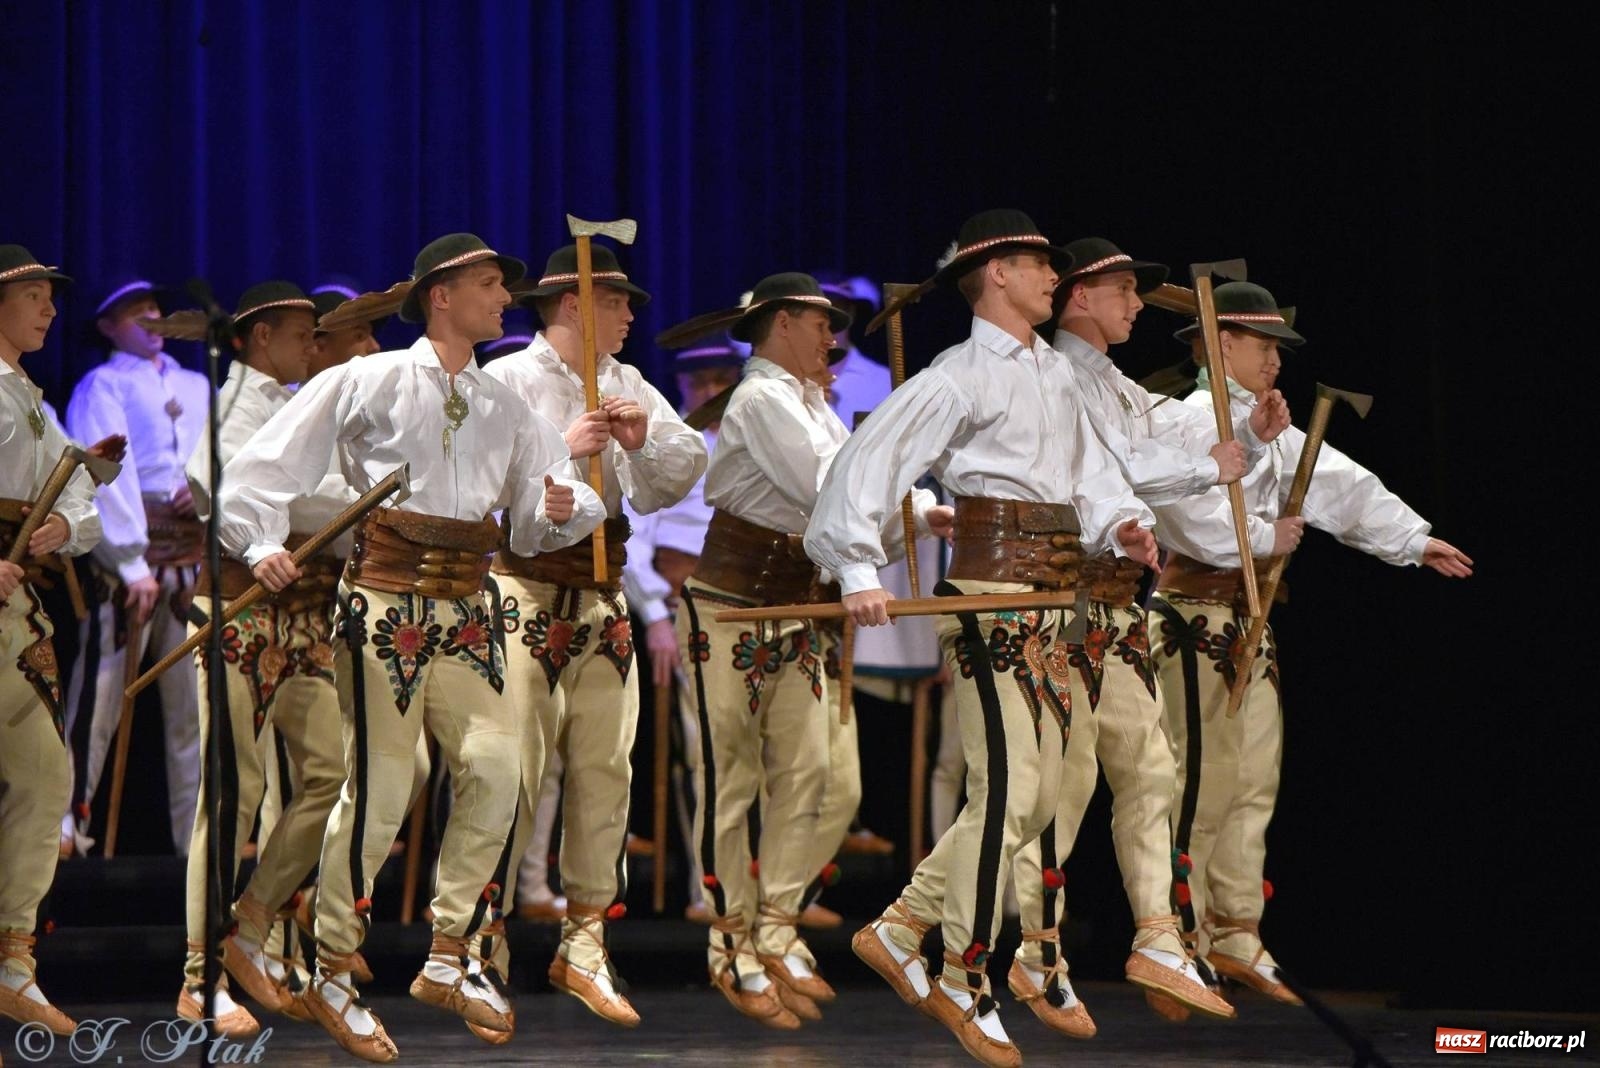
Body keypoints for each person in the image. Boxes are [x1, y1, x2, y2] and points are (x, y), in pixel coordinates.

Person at [216, 234, 604, 1062]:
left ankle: (450, 949)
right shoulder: (368, 379)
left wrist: (565, 503)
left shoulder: (507, 407)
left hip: (468, 607)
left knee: (501, 766)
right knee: (384, 784)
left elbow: (537, 520)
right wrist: (257, 544)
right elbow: (262, 467)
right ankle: (328, 967)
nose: (504, 299)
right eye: (491, 285)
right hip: (385, 601)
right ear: (441, 294)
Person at [807, 210, 1158, 1068]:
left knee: (1039, 797)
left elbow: (1091, 478)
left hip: (1056, 597)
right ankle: (964, 972)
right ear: (994, 273)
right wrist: (857, 572)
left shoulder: (1059, 377)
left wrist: (1123, 528)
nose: (1053, 277)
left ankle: (900, 925)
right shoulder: (958, 374)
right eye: (1040, 264)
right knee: (1006, 785)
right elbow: (865, 467)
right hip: (991, 598)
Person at [1148, 280, 1473, 1007]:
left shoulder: (1269, 426)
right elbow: (1183, 515)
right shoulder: (1188, 419)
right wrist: (1266, 535)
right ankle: (1179, 940)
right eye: (1265, 346)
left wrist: (1412, 540)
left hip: (1247, 622)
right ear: (1222, 343)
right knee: (1199, 782)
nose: (1276, 361)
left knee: (1253, 780)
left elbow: (1336, 482)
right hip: (1195, 617)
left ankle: (1236, 929)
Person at [1007, 239, 1288, 1035]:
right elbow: (1128, 460)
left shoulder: (1112, 381)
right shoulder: (1055, 374)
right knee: (1059, 789)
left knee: (1150, 770)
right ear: (1079, 297)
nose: (1136, 305)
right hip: (1063, 602)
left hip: (1116, 604)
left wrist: (1249, 441)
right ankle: (1032, 947)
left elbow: (1157, 440)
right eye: (1123, 290)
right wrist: (1212, 463)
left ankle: (1158, 935)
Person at [675, 273, 937, 1029]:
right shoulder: (759, 400)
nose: (834, 339)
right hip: (732, 608)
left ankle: (778, 920)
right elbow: (832, 493)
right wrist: (899, 492)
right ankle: (731, 946)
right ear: (783, 324)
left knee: (829, 776)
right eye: (824, 324)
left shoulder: (817, 405)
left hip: (802, 605)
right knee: (734, 778)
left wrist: (922, 514)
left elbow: (858, 515)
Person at [482, 241, 705, 1028]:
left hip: (599, 595)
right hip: (522, 588)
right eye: (618, 301)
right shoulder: (506, 380)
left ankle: (583, 941)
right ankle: (484, 940)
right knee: (512, 768)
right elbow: (490, 490)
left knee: (607, 766)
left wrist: (643, 441)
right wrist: (562, 455)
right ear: (576, 304)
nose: (632, 314)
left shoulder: (627, 382)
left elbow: (678, 471)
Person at [65, 274, 209, 855]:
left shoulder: (198, 384)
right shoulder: (102, 385)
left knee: (193, 712)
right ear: (107, 328)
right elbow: (102, 476)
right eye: (133, 312)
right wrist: (129, 562)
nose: (150, 317)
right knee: (99, 696)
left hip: (191, 554)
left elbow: (222, 454)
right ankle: (67, 821)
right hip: (135, 558)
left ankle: (195, 840)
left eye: (154, 306)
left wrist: (203, 489)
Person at [0, 245, 101, 1041]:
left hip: (20, 616)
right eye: (35, 295)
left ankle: (14, 959)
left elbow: (80, 495)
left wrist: (68, 524)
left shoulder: (34, 399)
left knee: (45, 772)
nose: (50, 310)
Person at [622, 341, 743, 924]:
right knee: (704, 751)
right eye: (701, 383)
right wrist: (657, 617)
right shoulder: (677, 452)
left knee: (751, 751)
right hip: (686, 606)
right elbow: (635, 542)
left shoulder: (749, 448)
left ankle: (749, 887)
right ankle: (707, 889)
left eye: (720, 380)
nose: (710, 393)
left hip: (747, 608)